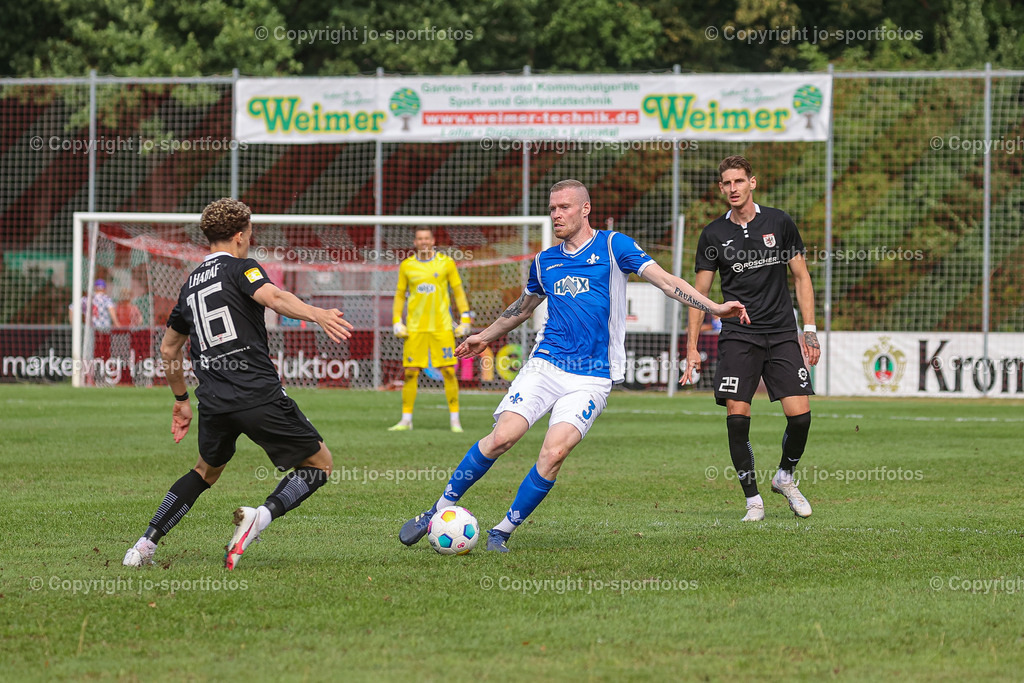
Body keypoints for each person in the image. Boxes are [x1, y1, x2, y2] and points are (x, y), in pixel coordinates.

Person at [398, 179, 750, 552]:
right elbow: (522, 308)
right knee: (502, 437)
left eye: (563, 207)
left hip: (593, 376)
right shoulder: (544, 261)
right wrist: (484, 335)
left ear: (585, 209)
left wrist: (713, 307)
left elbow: (665, 281)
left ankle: (501, 530)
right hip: (546, 365)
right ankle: (437, 510)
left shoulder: (615, 247)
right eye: (552, 208)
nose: (556, 215)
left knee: (553, 453)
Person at [122, 198, 354, 569]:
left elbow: (168, 350)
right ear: (240, 236)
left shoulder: (189, 287)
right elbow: (273, 297)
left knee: (205, 472)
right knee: (320, 465)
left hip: (213, 400)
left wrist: (181, 399)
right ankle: (258, 519)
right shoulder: (241, 268)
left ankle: (142, 547)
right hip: (256, 393)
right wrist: (316, 313)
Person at [681, 155, 820, 522]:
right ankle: (753, 501)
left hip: (780, 331)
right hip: (739, 336)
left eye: (738, 181)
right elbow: (698, 294)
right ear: (721, 188)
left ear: (752, 183)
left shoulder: (779, 222)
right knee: (737, 415)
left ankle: (785, 477)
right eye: (726, 183)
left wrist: (810, 330)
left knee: (801, 417)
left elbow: (802, 278)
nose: (732, 189)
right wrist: (692, 346)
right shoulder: (713, 234)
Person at [389, 226, 472, 433]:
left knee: (448, 373)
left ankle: (455, 420)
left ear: (433, 241)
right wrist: (397, 321)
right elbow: (400, 294)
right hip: (415, 329)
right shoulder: (407, 266)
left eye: (427, 238)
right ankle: (406, 419)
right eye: (419, 239)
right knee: (410, 373)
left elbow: (458, 291)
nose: (423, 242)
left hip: (442, 327)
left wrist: (465, 317)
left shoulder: (446, 263)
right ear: (415, 242)